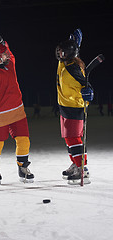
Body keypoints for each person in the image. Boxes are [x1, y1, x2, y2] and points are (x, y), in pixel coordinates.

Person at [0, 33, 34, 184]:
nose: (6, 56)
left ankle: (23, 167)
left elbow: (10, 54)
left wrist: (3, 43)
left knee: (24, 141)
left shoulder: (10, 65)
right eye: (3, 54)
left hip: (17, 111)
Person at [55, 29, 94, 184]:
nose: (59, 54)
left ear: (70, 54)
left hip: (74, 108)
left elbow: (86, 86)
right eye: (59, 51)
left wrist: (89, 93)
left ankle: (81, 168)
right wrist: (75, 43)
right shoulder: (63, 63)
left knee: (74, 139)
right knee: (68, 138)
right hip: (64, 106)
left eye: (62, 52)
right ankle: (76, 163)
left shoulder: (73, 68)